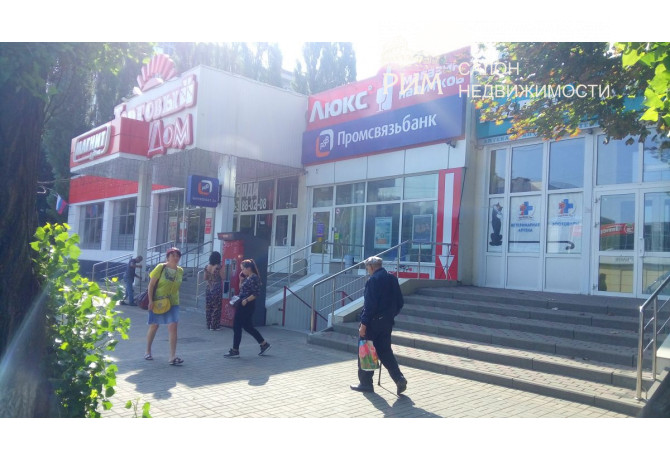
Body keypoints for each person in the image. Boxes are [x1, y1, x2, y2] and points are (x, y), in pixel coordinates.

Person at [350, 256, 407, 395]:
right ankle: (399, 378)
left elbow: (369, 305)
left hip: (372, 322)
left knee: (367, 350)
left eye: (367, 268)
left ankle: (366, 383)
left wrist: (363, 324)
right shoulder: (392, 278)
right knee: (385, 351)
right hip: (387, 322)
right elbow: (400, 302)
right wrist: (390, 315)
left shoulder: (373, 280)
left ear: (371, 267)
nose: (367, 270)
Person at [145, 247, 184, 365]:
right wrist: (150, 300)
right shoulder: (160, 267)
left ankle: (172, 356)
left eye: (178, 256)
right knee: (154, 325)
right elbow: (151, 285)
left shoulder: (180, 271)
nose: (176, 258)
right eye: (173, 255)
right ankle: (148, 351)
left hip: (173, 302)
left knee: (173, 326)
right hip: (158, 301)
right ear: (167, 257)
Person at [223, 258, 271, 358]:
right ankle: (264, 344)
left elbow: (256, 293)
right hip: (243, 303)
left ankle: (235, 350)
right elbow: (242, 289)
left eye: (243, 269)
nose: (242, 271)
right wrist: (241, 280)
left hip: (246, 305)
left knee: (237, 326)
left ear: (248, 268)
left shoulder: (254, 278)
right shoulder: (248, 277)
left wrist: (246, 300)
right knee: (248, 327)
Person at [205, 251, 223, 330]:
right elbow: (223, 277)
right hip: (216, 288)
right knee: (217, 307)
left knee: (208, 306)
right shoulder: (219, 267)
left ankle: (208, 324)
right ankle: (214, 326)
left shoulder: (207, 267)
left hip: (208, 287)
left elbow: (205, 278)